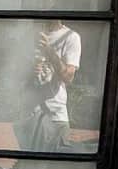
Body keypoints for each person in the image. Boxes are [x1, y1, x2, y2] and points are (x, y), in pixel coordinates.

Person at [15, 19, 81, 153]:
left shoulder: (71, 37)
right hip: (29, 117)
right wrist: (30, 70)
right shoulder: (29, 35)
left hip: (55, 117)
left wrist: (49, 51)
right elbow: (16, 74)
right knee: (27, 168)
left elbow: (69, 77)